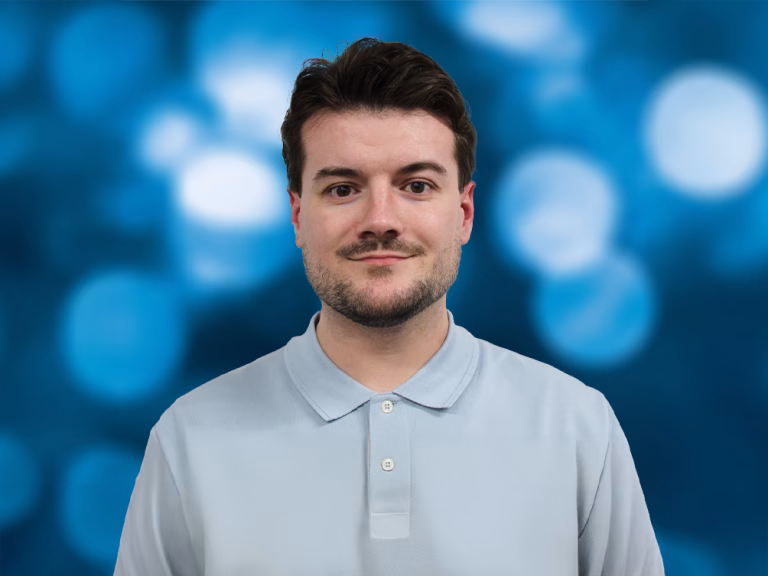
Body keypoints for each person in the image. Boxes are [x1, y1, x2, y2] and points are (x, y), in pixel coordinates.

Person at [114, 37, 664, 575]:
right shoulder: (190, 439)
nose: (381, 219)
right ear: (298, 216)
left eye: (417, 185)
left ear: (465, 214)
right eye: (343, 189)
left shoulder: (574, 428)